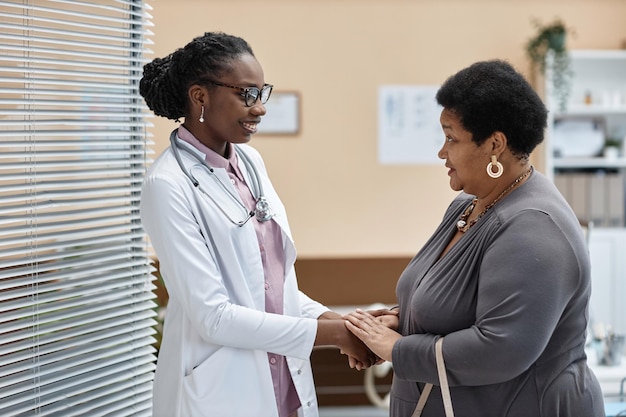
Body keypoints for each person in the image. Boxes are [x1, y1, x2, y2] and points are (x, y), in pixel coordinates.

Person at [344, 60, 605, 417]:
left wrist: (397, 350)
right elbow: (460, 306)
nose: (442, 152)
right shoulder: (467, 205)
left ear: (495, 144)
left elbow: (499, 349)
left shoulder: (534, 227)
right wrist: (401, 321)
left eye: (451, 138)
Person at [138, 32, 375, 417]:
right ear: (200, 97)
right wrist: (334, 334)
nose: (259, 108)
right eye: (246, 94)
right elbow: (212, 315)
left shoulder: (251, 164)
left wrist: (340, 321)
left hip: (282, 375)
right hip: (223, 386)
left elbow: (271, 287)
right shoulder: (167, 185)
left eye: (261, 93)